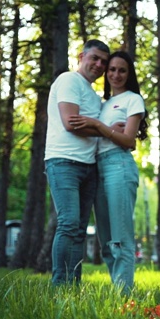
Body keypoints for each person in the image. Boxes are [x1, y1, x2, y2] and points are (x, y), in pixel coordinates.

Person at [68, 51, 148, 294]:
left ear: (129, 74)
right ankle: (119, 291)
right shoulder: (102, 105)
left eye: (121, 70)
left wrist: (99, 126)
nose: (115, 74)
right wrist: (100, 126)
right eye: (111, 69)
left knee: (120, 237)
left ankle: (125, 295)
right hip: (97, 169)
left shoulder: (133, 99)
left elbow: (129, 141)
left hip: (119, 167)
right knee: (106, 241)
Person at [44, 39, 110, 285]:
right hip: (63, 162)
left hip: (88, 166)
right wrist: (105, 128)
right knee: (69, 223)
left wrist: (94, 125)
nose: (99, 64)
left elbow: (88, 126)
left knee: (80, 230)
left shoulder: (93, 96)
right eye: (94, 58)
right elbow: (71, 123)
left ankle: (73, 286)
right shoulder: (69, 80)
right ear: (82, 56)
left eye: (103, 61)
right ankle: (59, 284)